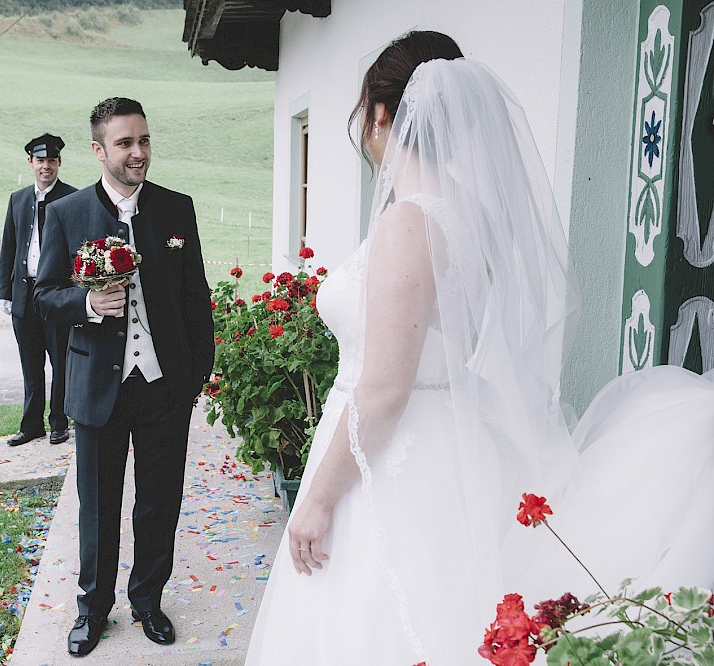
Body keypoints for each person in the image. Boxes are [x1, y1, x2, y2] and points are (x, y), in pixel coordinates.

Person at [245, 31, 714, 664]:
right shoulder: (474, 213)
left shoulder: (409, 220)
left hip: (390, 458)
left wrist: (319, 498)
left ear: (381, 115)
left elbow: (385, 387)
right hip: (453, 453)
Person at [34, 97, 215, 657]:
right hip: (96, 390)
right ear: (98, 150)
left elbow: (195, 296)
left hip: (164, 386)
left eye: (144, 140)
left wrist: (195, 377)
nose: (138, 153)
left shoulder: (176, 209)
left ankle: (147, 600)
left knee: (159, 501)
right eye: (125, 143)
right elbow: (43, 294)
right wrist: (88, 305)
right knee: (98, 505)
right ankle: (92, 610)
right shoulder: (66, 215)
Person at [0, 133, 78, 447]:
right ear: (31, 162)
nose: (46, 166)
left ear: (59, 163)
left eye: (52, 161)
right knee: (30, 363)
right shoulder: (17, 199)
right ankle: (31, 425)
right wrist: (4, 291)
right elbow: (9, 247)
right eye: (40, 161)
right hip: (23, 294)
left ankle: (59, 422)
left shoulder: (72, 198)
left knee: (60, 360)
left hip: (55, 294)